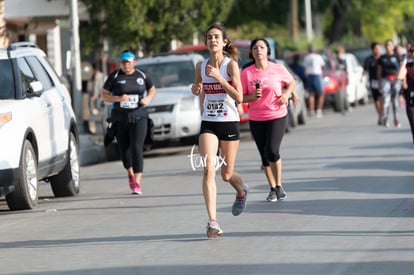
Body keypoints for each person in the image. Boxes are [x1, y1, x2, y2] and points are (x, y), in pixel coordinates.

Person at [191, 23, 248, 238]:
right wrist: (196, 89)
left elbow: (240, 97)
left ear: (224, 42)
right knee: (209, 169)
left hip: (229, 122)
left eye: (216, 37)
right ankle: (213, 222)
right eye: (209, 37)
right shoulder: (200, 65)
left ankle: (241, 191)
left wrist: (220, 79)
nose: (212, 40)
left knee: (226, 175)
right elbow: (198, 88)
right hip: (209, 122)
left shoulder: (231, 65)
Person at [241, 38, 296, 202]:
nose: (258, 50)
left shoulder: (277, 68)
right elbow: (241, 96)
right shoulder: (247, 73)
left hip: (276, 114)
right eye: (255, 47)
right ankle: (272, 188)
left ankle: (279, 185)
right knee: (264, 156)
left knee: (272, 150)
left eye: (262, 47)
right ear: (251, 52)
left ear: (268, 51)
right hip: (256, 117)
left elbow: (291, 81)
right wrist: (251, 97)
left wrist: (286, 94)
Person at [101, 50, 156, 195]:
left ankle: (137, 182)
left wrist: (148, 99)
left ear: (134, 62)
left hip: (139, 115)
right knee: (124, 148)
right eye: (123, 62)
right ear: (120, 63)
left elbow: (152, 89)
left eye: (129, 62)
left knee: (137, 148)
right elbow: (104, 95)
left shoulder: (141, 75)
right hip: (120, 117)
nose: (126, 65)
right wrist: (118, 99)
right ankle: (130, 173)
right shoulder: (115, 76)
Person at [377, 39, 402, 128]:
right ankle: (386, 119)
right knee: (386, 100)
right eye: (387, 45)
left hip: (395, 80)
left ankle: (396, 119)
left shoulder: (397, 56)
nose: (388, 47)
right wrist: (379, 83)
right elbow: (379, 71)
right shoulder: (382, 58)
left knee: (395, 101)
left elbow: (401, 69)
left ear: (392, 46)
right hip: (385, 80)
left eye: (390, 45)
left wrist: (402, 80)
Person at [397, 44, 414, 145]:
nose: (413, 53)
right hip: (411, 100)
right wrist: (404, 62)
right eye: (411, 52)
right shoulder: (408, 66)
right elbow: (399, 76)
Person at [304, 44, 325, 118]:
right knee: (321, 93)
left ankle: (312, 111)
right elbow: (323, 66)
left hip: (309, 76)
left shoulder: (306, 57)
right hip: (317, 75)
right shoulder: (318, 57)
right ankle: (318, 111)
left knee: (311, 94)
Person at [363, 42, 383, 125]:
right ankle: (380, 115)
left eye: (379, 48)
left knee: (382, 99)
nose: (377, 50)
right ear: (372, 49)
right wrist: (362, 78)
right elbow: (364, 70)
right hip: (373, 82)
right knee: (376, 100)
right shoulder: (369, 59)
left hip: (383, 81)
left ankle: (383, 114)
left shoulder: (383, 58)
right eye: (376, 48)